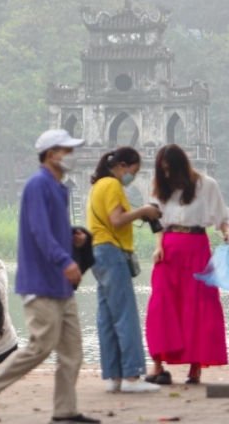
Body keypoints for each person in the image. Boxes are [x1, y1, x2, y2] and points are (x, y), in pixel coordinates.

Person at [0, 129, 99, 424]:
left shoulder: (57, 187)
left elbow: (51, 231)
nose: (71, 155)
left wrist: (72, 238)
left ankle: (64, 410)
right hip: (41, 281)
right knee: (41, 345)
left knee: (72, 349)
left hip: (60, 284)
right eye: (66, 150)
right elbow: (39, 232)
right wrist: (65, 259)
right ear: (51, 153)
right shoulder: (38, 185)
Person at [145, 144, 229, 385]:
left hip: (197, 248)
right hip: (169, 249)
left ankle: (195, 366)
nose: (166, 174)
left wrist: (227, 232)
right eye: (162, 170)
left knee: (199, 304)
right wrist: (158, 245)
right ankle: (157, 364)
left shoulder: (207, 185)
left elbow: (222, 218)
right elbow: (158, 221)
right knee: (162, 303)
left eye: (169, 169)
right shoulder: (161, 187)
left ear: (180, 166)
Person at [86, 148, 162, 394]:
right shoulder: (112, 185)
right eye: (134, 171)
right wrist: (144, 211)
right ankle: (131, 376)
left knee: (107, 318)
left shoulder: (98, 185)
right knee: (125, 315)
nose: (134, 176)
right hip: (111, 252)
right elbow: (117, 220)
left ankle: (114, 377)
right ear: (122, 165)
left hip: (97, 252)